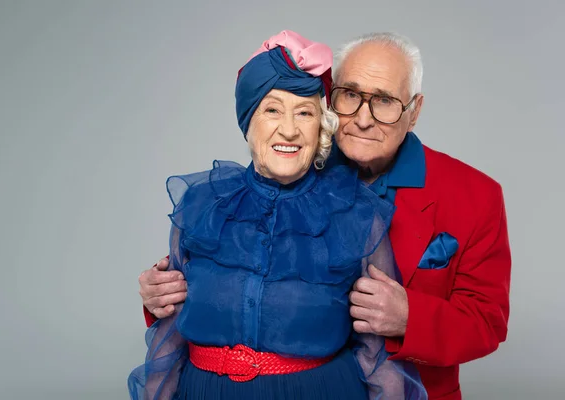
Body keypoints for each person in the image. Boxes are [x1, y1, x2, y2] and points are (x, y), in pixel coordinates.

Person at [138, 31, 512, 400]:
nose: (363, 119)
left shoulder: (475, 196)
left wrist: (410, 317)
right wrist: (161, 295)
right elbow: (227, 287)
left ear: (413, 111)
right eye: (350, 95)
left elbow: (486, 323)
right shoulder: (290, 164)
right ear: (330, 104)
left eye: (383, 100)